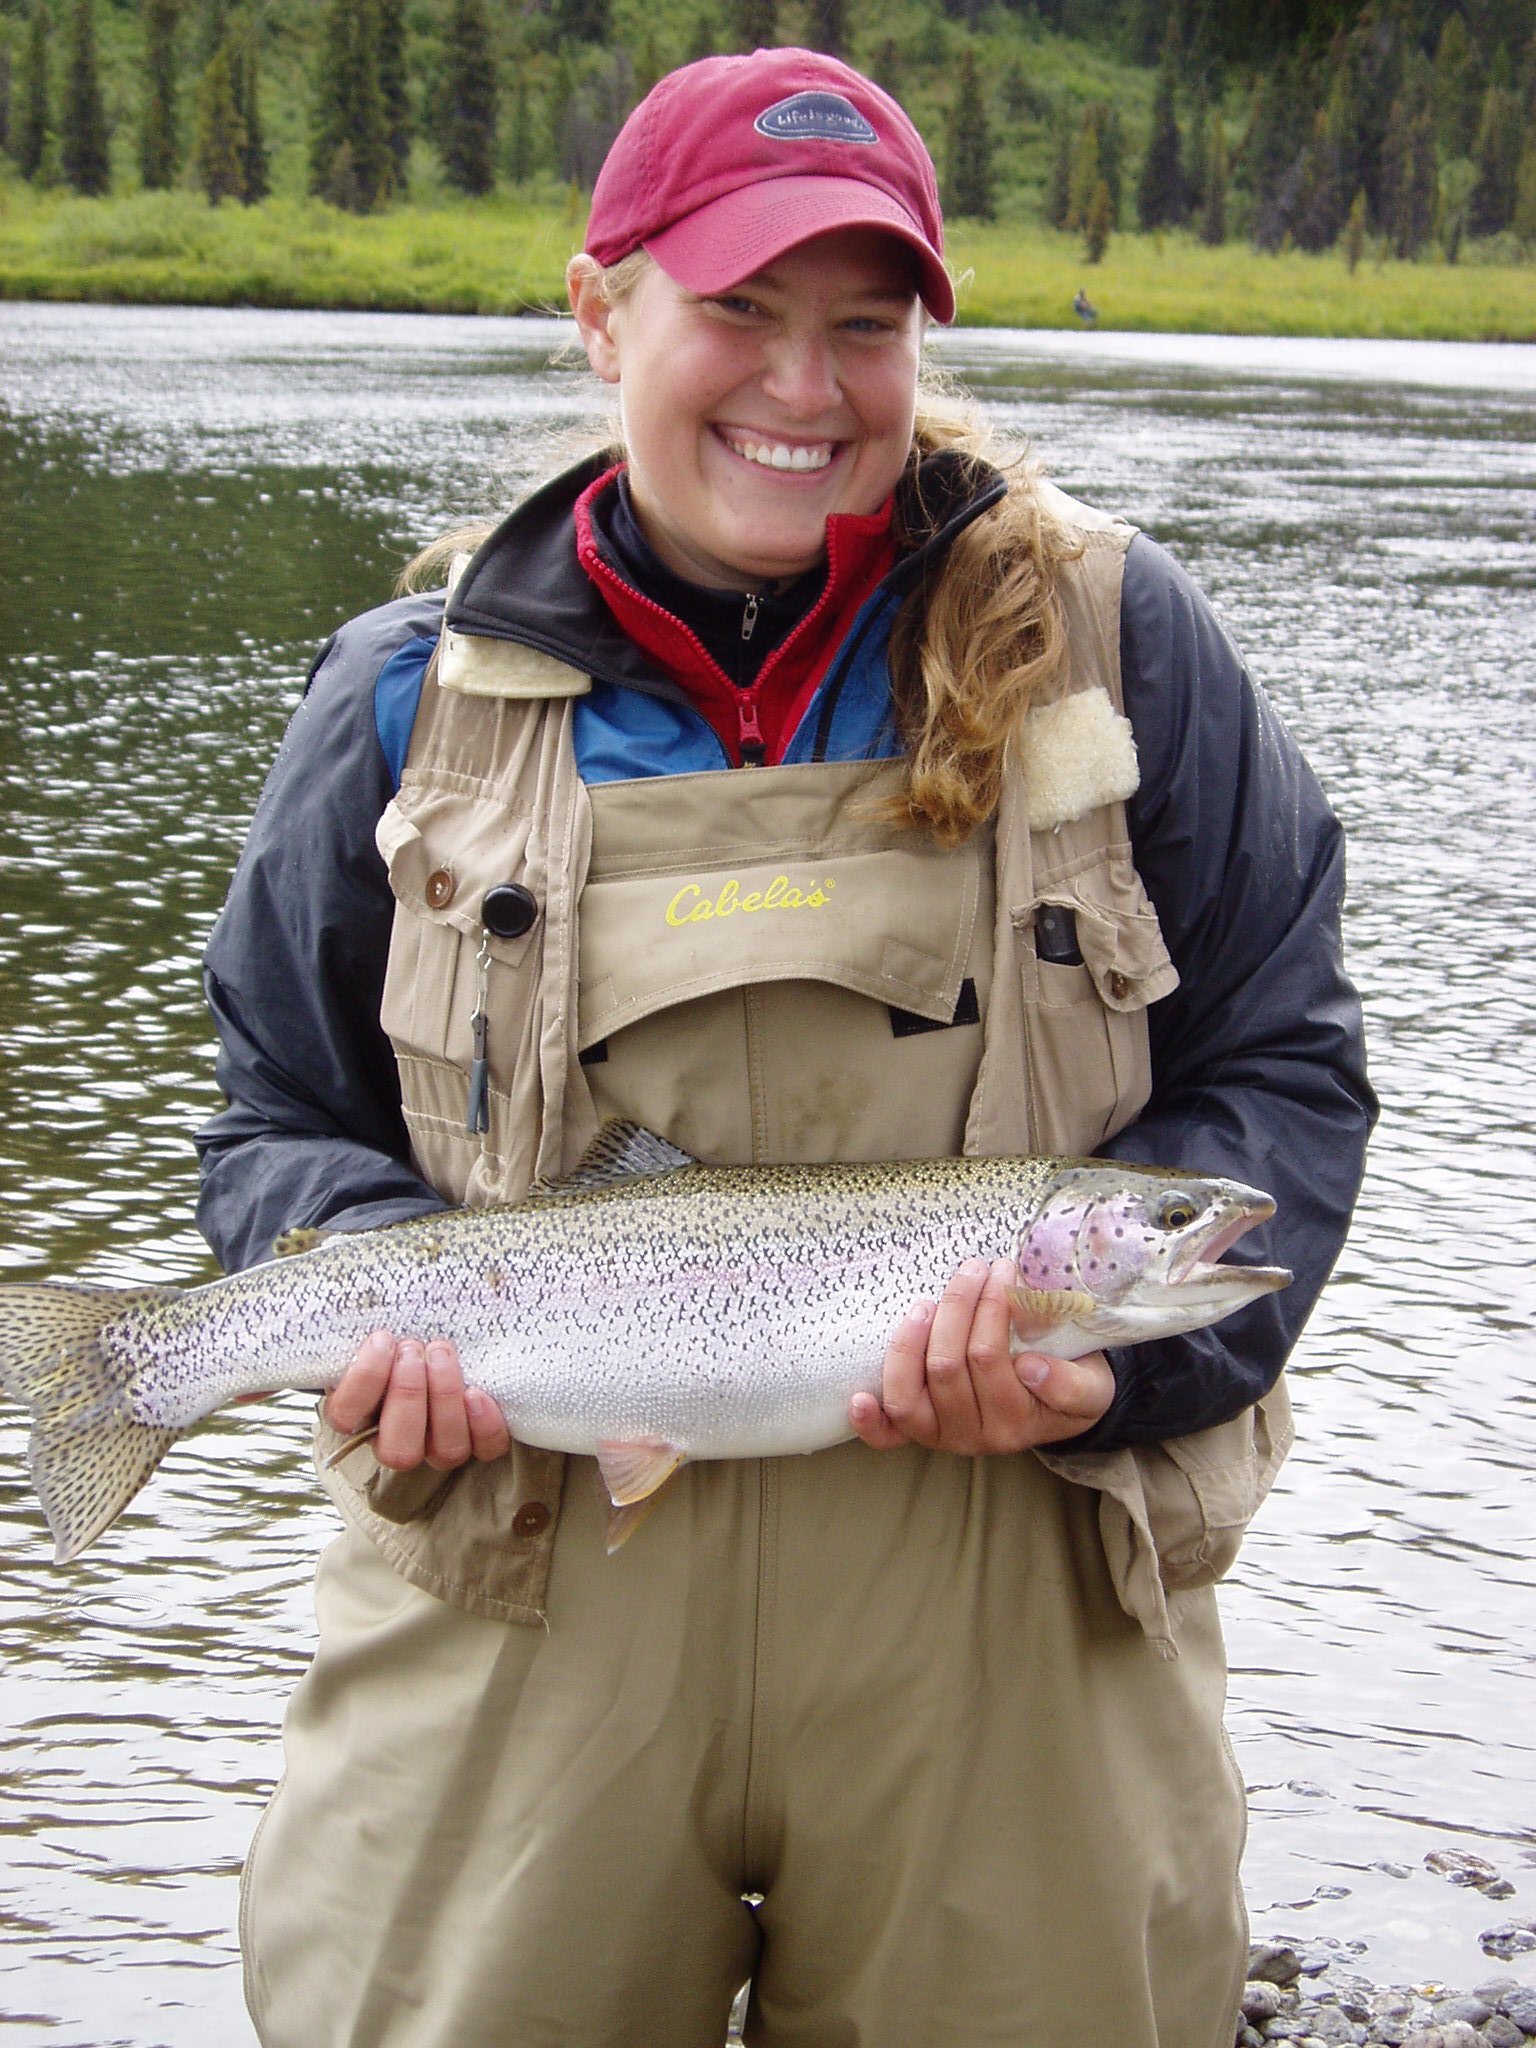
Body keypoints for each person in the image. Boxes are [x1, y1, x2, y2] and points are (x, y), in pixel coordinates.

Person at [197, 48, 1374, 2048]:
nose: (803, 386)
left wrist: (1127, 1367)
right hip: (521, 1600)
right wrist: (364, 1316)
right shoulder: (406, 699)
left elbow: (1290, 1070)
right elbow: (275, 1120)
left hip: (1017, 1636)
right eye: (738, 309)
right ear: (601, 310)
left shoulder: (1123, 644)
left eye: (864, 324)